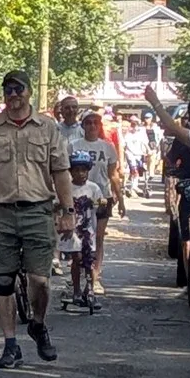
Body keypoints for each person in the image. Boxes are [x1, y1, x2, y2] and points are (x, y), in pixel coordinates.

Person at [0, 70, 75, 369]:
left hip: (38, 210)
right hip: (0, 211)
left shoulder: (47, 127)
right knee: (4, 279)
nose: (13, 95)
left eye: (18, 89)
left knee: (40, 280)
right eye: (7, 90)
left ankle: (38, 323)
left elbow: (60, 171)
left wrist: (68, 211)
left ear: (29, 92)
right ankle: (10, 344)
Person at [74, 110, 123, 287]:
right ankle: (78, 272)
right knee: (79, 235)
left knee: (98, 236)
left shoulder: (107, 147)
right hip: (79, 195)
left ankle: (95, 274)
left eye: (96, 122)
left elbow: (113, 174)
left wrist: (121, 198)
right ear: (83, 126)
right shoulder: (73, 145)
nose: (92, 126)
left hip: (102, 196)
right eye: (88, 122)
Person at [59, 151, 105, 312]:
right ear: (71, 171)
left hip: (88, 230)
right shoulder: (67, 188)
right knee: (76, 258)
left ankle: (90, 289)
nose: (81, 173)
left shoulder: (93, 188)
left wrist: (102, 204)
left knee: (89, 261)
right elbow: (58, 205)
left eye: (84, 170)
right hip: (73, 231)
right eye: (77, 170)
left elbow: (101, 207)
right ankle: (77, 290)